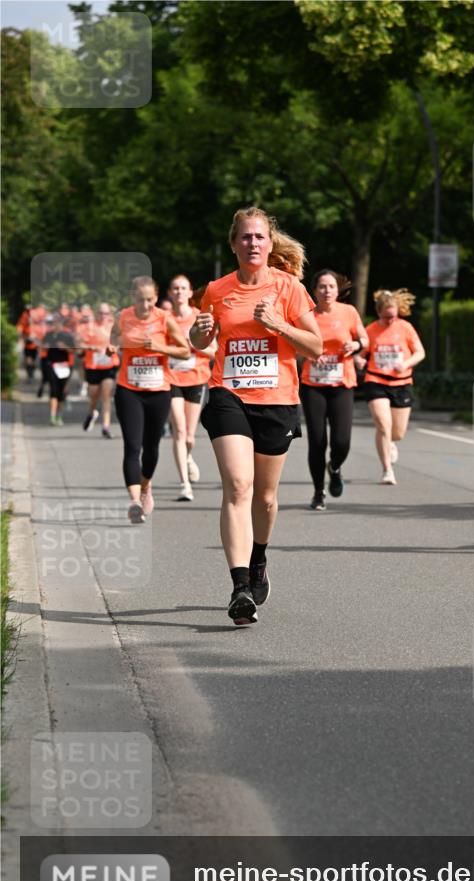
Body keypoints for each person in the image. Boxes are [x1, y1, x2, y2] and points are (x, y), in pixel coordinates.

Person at [190, 206, 322, 626]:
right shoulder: (217, 289)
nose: (253, 244)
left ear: (269, 243)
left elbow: (315, 347)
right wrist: (199, 334)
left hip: (277, 399)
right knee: (238, 486)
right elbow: (200, 340)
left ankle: (259, 556)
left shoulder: (289, 288)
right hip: (227, 393)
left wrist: (279, 325)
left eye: (259, 237)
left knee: (264, 498)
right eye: (245, 237)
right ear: (234, 244)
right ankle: (240, 586)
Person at [110, 276, 191, 524]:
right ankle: (135, 501)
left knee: (151, 448)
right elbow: (113, 338)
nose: (144, 305)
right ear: (132, 297)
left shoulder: (164, 319)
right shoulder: (123, 317)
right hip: (129, 389)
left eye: (149, 300)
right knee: (132, 446)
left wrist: (160, 347)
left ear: (155, 298)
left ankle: (146, 487)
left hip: (158, 391)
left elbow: (185, 350)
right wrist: (112, 347)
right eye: (139, 299)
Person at [300, 270, 368, 510]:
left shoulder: (348, 312)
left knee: (342, 441)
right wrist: (309, 353)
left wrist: (356, 345)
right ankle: (318, 492)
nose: (326, 290)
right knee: (317, 441)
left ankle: (335, 466)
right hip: (313, 385)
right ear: (314, 290)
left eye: (331, 286)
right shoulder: (307, 314)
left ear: (338, 290)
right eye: (322, 286)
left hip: (342, 384)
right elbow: (295, 344)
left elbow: (365, 340)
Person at [362, 288, 425, 484]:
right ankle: (387, 470)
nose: (391, 321)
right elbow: (360, 354)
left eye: (394, 316)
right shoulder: (371, 330)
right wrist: (358, 360)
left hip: (402, 382)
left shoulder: (405, 327)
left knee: (398, 432)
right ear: (379, 312)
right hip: (376, 380)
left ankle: (390, 442)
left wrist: (405, 364)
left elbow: (420, 352)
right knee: (383, 424)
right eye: (387, 317)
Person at [166, 274, 216, 501]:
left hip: (196, 378)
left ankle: (187, 457)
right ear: (170, 293)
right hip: (171, 378)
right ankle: (185, 484)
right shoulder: (163, 319)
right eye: (175, 288)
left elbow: (213, 350)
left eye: (183, 288)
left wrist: (192, 344)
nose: (179, 292)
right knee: (179, 430)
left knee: (189, 437)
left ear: (189, 292)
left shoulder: (200, 316)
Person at [79, 302, 118, 437]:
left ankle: (105, 427)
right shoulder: (89, 327)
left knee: (106, 395)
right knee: (94, 394)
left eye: (106, 313)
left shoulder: (113, 326)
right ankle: (91, 412)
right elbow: (80, 344)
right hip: (93, 365)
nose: (103, 316)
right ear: (96, 313)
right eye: (100, 313)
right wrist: (90, 348)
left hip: (109, 365)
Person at [42, 316, 76, 425]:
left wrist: (64, 347)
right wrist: (45, 347)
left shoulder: (67, 336)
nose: (55, 326)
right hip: (51, 365)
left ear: (62, 325)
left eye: (58, 323)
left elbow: (73, 350)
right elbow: (43, 347)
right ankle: (52, 416)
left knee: (61, 392)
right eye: (54, 323)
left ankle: (59, 416)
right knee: (53, 390)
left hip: (64, 366)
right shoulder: (48, 335)